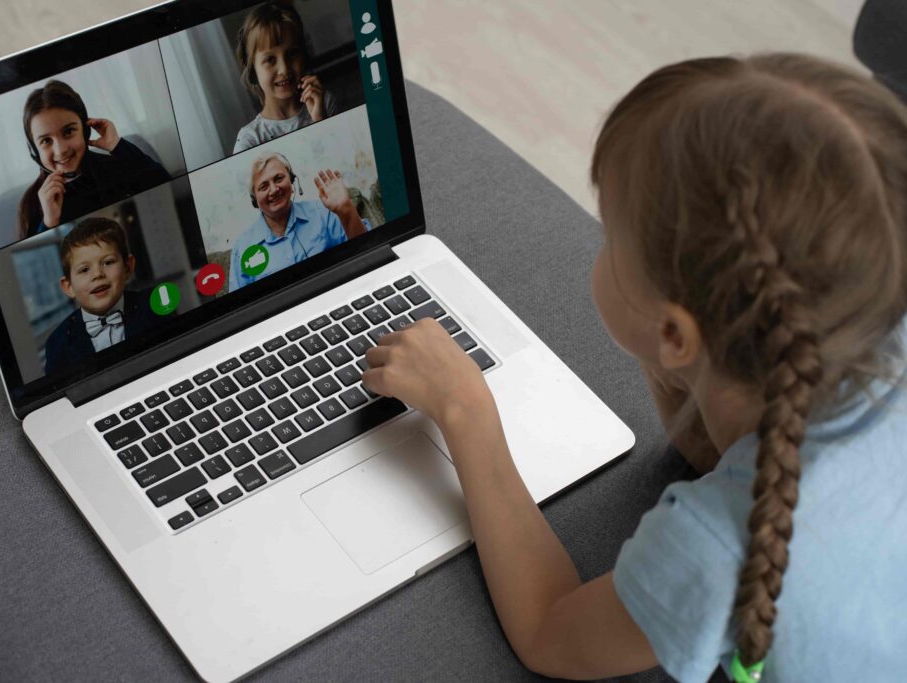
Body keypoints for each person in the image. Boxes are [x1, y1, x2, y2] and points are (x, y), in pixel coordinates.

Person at [361, 54, 907, 682]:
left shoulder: (716, 544)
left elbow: (548, 631)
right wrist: (677, 367)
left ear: (676, 332)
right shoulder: (867, 322)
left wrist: (466, 411)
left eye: (612, 237)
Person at [16, 80, 170, 240]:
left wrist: (117, 145)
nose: (60, 150)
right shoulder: (32, 203)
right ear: (34, 150)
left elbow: (166, 187)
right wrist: (49, 223)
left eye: (68, 131)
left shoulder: (118, 165)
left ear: (86, 130)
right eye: (46, 141)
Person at [229, 152, 369, 292]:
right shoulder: (242, 248)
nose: (274, 190)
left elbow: (366, 252)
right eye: (264, 187)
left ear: (291, 179)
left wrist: (347, 210)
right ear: (255, 199)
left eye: (278, 178)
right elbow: (237, 306)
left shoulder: (323, 212)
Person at [44, 217, 167, 376]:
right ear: (69, 287)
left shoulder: (156, 305)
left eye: (108, 262)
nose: (97, 274)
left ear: (128, 267)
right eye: (84, 270)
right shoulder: (57, 343)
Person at [232, 2, 337, 154]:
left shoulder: (325, 104)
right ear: (253, 70)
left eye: (292, 54)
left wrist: (321, 122)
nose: (284, 69)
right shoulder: (250, 140)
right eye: (270, 60)